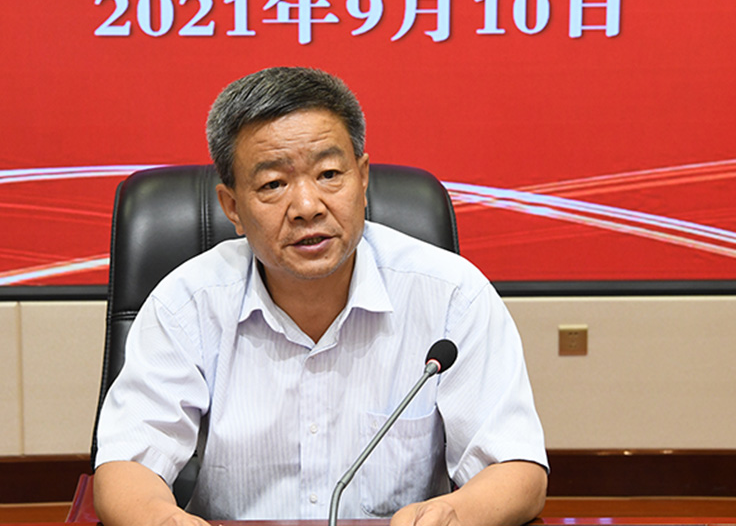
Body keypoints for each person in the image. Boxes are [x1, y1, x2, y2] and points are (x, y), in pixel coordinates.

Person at [93, 67, 548, 526]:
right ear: (232, 208)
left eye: (329, 174)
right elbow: (127, 465)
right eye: (273, 184)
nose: (307, 207)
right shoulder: (187, 303)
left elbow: (514, 468)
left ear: (362, 179)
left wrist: (452, 513)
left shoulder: (452, 295)